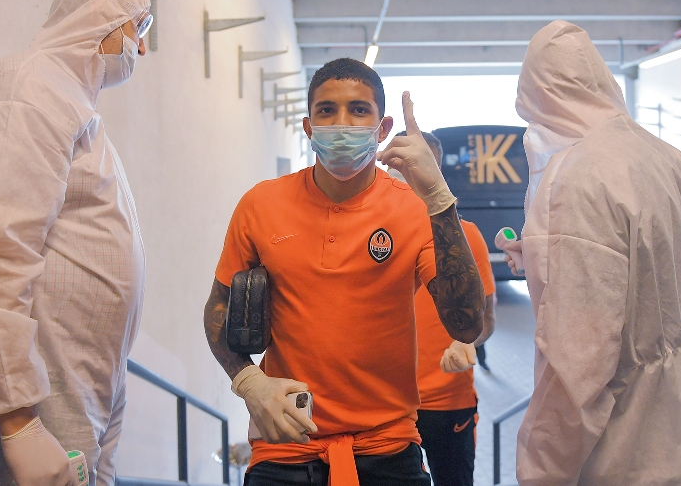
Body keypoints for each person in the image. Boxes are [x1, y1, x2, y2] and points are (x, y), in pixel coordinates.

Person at [203, 58, 485, 486]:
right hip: (286, 443)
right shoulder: (261, 204)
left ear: (383, 127)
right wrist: (249, 382)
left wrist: (439, 200)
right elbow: (218, 310)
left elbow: (466, 323)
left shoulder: (413, 209)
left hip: (389, 445)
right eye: (326, 110)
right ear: (308, 126)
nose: (342, 123)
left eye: (358, 110)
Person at [0, 0, 153, 485]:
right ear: (101, 15)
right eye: (139, 27)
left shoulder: (68, 102)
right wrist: (19, 422)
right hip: (36, 395)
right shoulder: (26, 90)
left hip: (82, 380)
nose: (142, 47)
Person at [503, 20, 681, 485]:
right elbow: (650, 267)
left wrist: (541, 471)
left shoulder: (580, 177)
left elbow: (577, 367)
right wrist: (543, 257)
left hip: (622, 440)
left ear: (542, 97)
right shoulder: (671, 160)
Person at [405, 131, 497, 486]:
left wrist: (468, 342)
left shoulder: (466, 235)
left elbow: (486, 318)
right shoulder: (373, 238)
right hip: (387, 406)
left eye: (423, 167)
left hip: (448, 403)